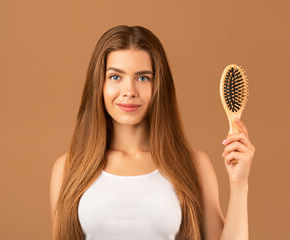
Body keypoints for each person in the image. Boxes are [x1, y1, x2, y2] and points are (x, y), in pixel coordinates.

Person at [50, 25, 255, 240]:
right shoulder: (67, 168)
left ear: (158, 86)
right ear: (99, 84)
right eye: (115, 77)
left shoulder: (193, 165)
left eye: (142, 78)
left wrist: (239, 185)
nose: (129, 91)